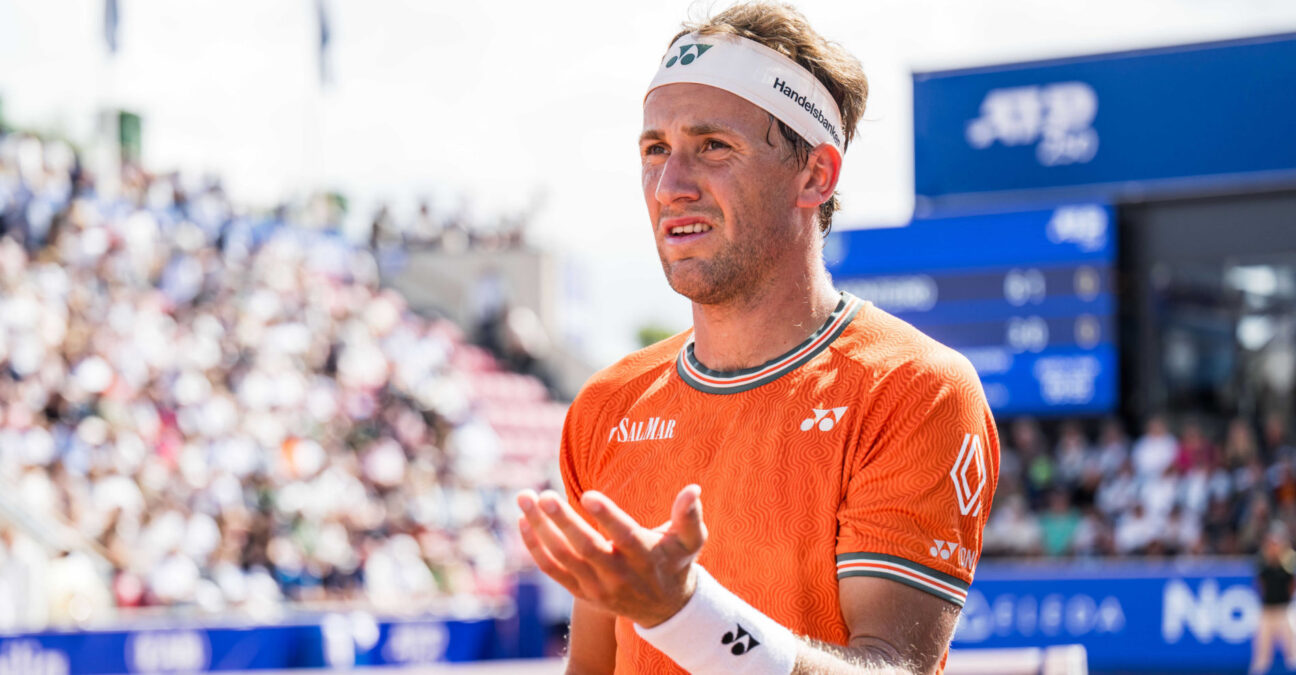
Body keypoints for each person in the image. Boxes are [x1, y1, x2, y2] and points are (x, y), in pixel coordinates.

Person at [515, 3, 1000, 674]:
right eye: (655, 149)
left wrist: (688, 614)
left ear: (815, 175)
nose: (670, 185)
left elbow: (893, 668)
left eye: (713, 145)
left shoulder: (915, 387)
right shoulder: (607, 403)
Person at [1251, 530, 1296, 674]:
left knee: (1292, 652)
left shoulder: (1288, 562)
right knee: (1261, 655)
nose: (1274, 547)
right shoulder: (1263, 562)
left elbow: (1292, 585)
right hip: (1267, 612)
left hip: (1284, 611)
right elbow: (1259, 584)